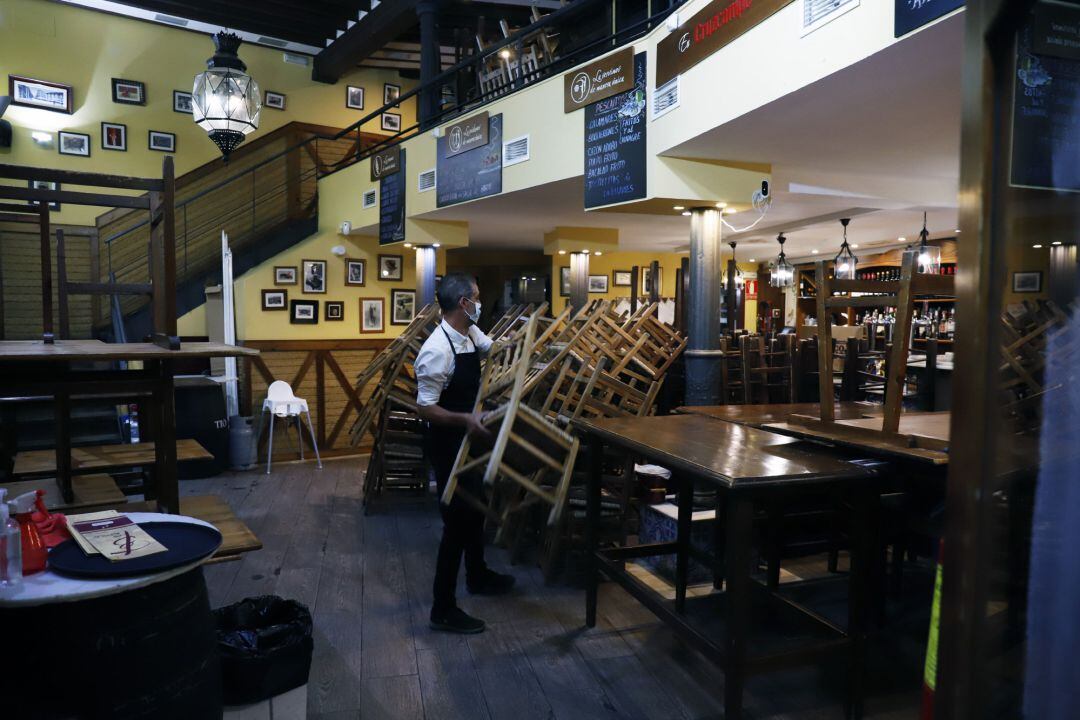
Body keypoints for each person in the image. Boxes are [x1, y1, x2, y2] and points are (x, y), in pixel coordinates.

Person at [414, 273, 515, 634]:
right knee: (456, 522)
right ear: (463, 303)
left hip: (469, 436)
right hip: (447, 443)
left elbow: (494, 348)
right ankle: (442, 609)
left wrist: (520, 344)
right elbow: (425, 408)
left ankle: (477, 575)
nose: (479, 303)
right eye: (477, 297)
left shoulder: (469, 333)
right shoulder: (436, 350)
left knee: (475, 510)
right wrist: (465, 419)